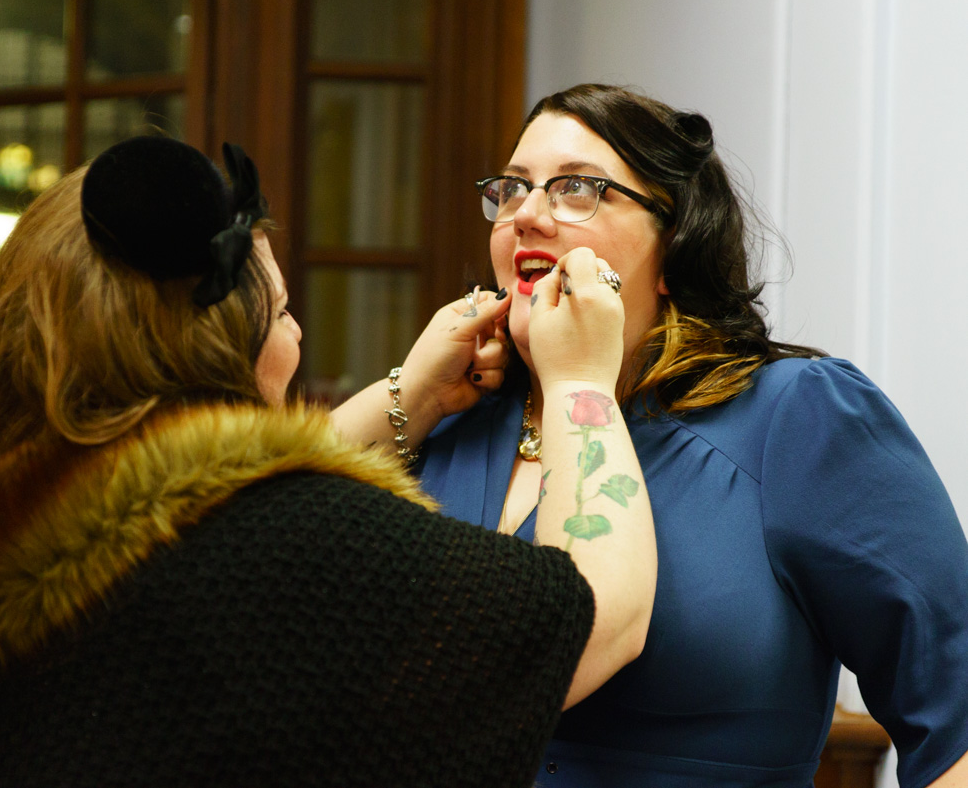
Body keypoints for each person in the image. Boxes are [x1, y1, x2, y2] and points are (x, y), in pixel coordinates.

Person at [0, 136, 656, 788]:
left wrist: (414, 395)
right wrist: (581, 379)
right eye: (283, 311)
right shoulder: (296, 553)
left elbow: (202, 490)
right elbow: (592, 618)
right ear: (228, 344)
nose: (296, 333)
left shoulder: (7, 537)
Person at [367, 83, 968, 787]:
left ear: (676, 240)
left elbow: (953, 712)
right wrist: (408, 393)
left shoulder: (797, 416)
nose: (526, 214)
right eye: (512, 189)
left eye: (574, 189)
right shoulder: (454, 423)